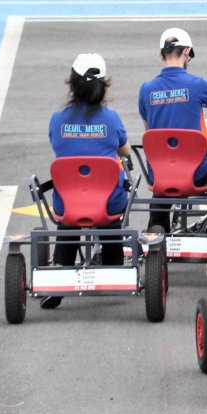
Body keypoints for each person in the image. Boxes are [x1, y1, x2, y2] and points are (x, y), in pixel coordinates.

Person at [42, 53, 132, 309]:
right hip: (108, 205)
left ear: (72, 84)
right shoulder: (111, 118)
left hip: (68, 204)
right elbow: (124, 151)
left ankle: (62, 268)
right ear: (103, 86)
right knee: (115, 188)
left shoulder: (57, 120)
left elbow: (58, 147)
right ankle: (113, 260)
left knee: (72, 204)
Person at [138, 28, 207, 230]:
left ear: (160, 54)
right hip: (194, 172)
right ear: (186, 52)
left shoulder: (146, 90)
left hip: (161, 173)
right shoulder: (197, 85)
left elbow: (151, 134)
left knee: (164, 158)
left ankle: (158, 225)